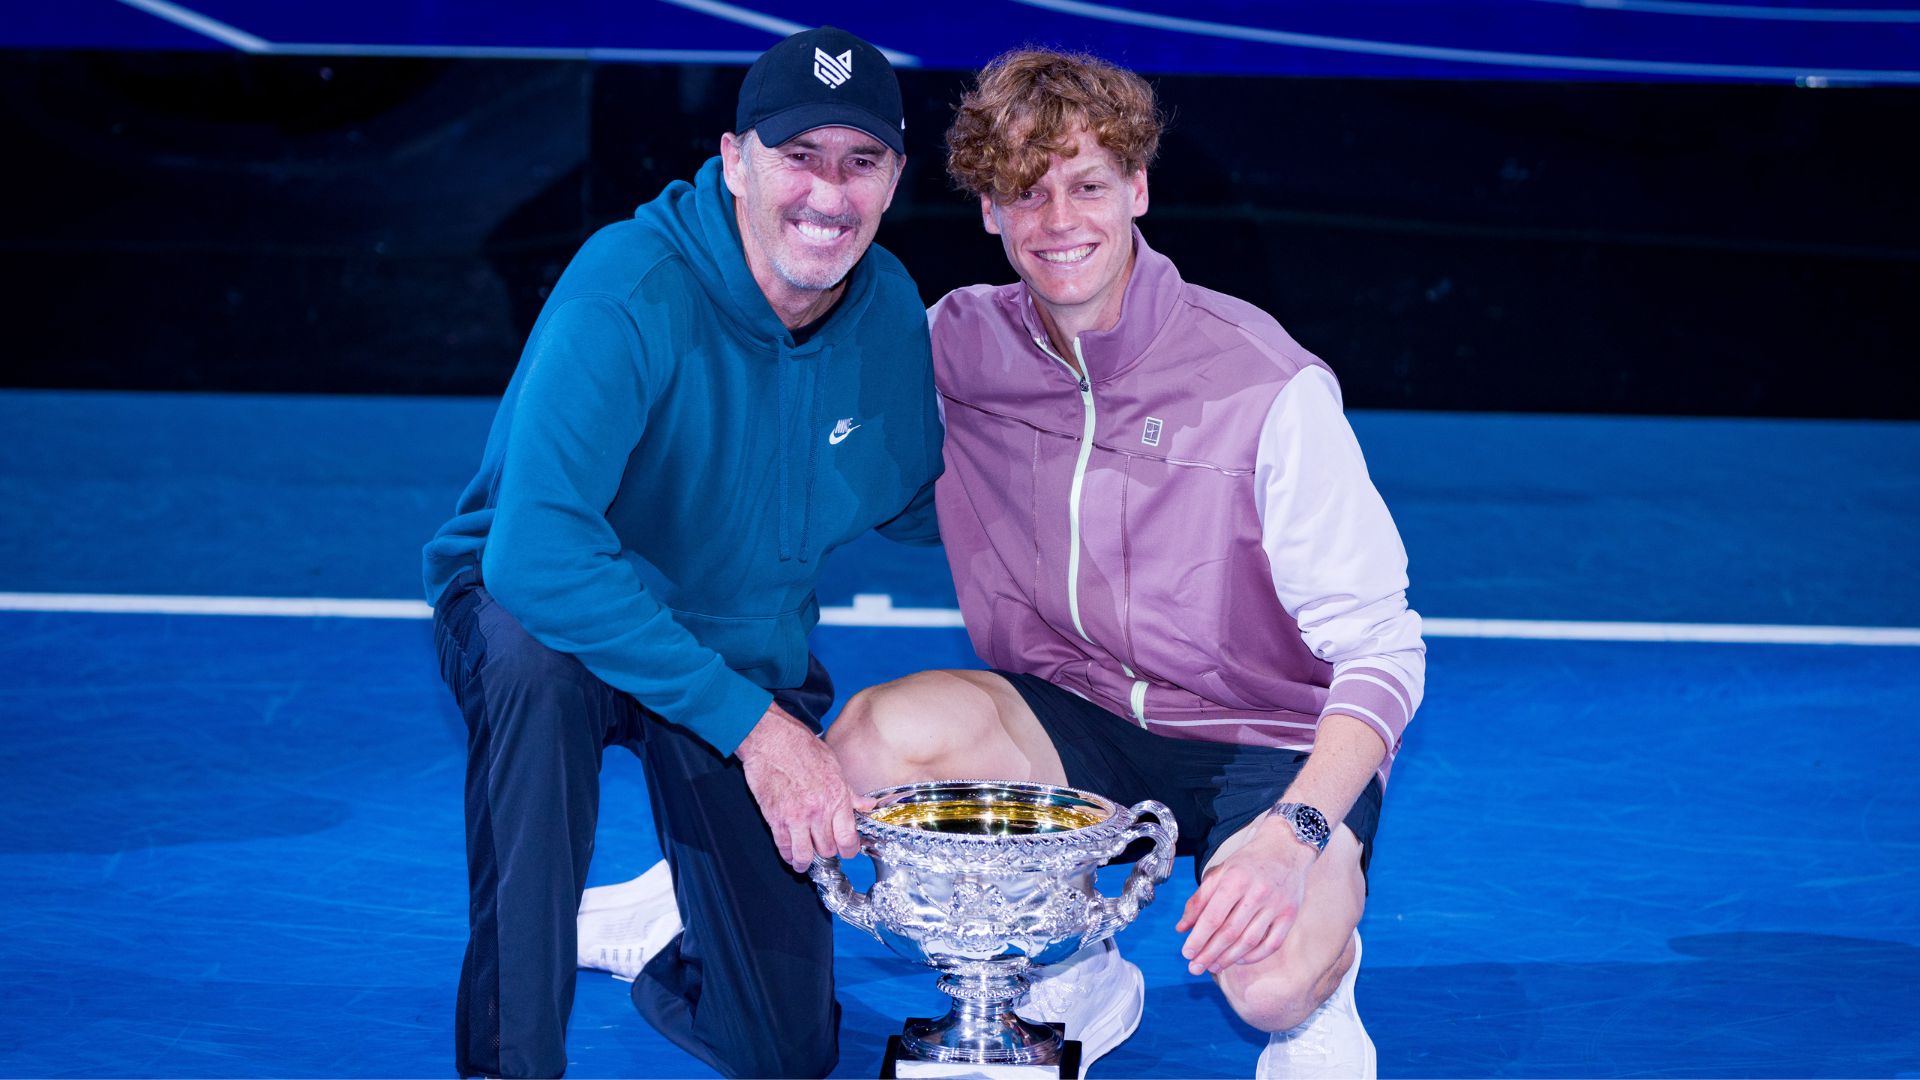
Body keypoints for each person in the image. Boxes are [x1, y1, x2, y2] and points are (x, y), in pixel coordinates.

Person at [822, 50, 1426, 1079]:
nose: (1060, 221)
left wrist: (1299, 829)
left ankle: (1325, 979)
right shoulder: (956, 344)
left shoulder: (1265, 383)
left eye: (1089, 185)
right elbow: (811, 440)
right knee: (874, 745)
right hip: (1072, 719)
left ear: (1139, 189)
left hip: (1266, 743)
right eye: (1027, 191)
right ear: (989, 212)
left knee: (1268, 986)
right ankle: (1075, 956)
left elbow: (1382, 649)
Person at [421, 26, 942, 1079]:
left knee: (789, 1053)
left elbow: (919, 501)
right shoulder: (628, 285)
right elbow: (536, 556)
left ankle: (668, 943)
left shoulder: (885, 304)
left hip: (736, 648)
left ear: (895, 179)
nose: (827, 195)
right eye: (799, 156)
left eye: (861, 162)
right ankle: (511, 1062)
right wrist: (759, 731)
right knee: (533, 662)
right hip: (557, 621)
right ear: (736, 157)